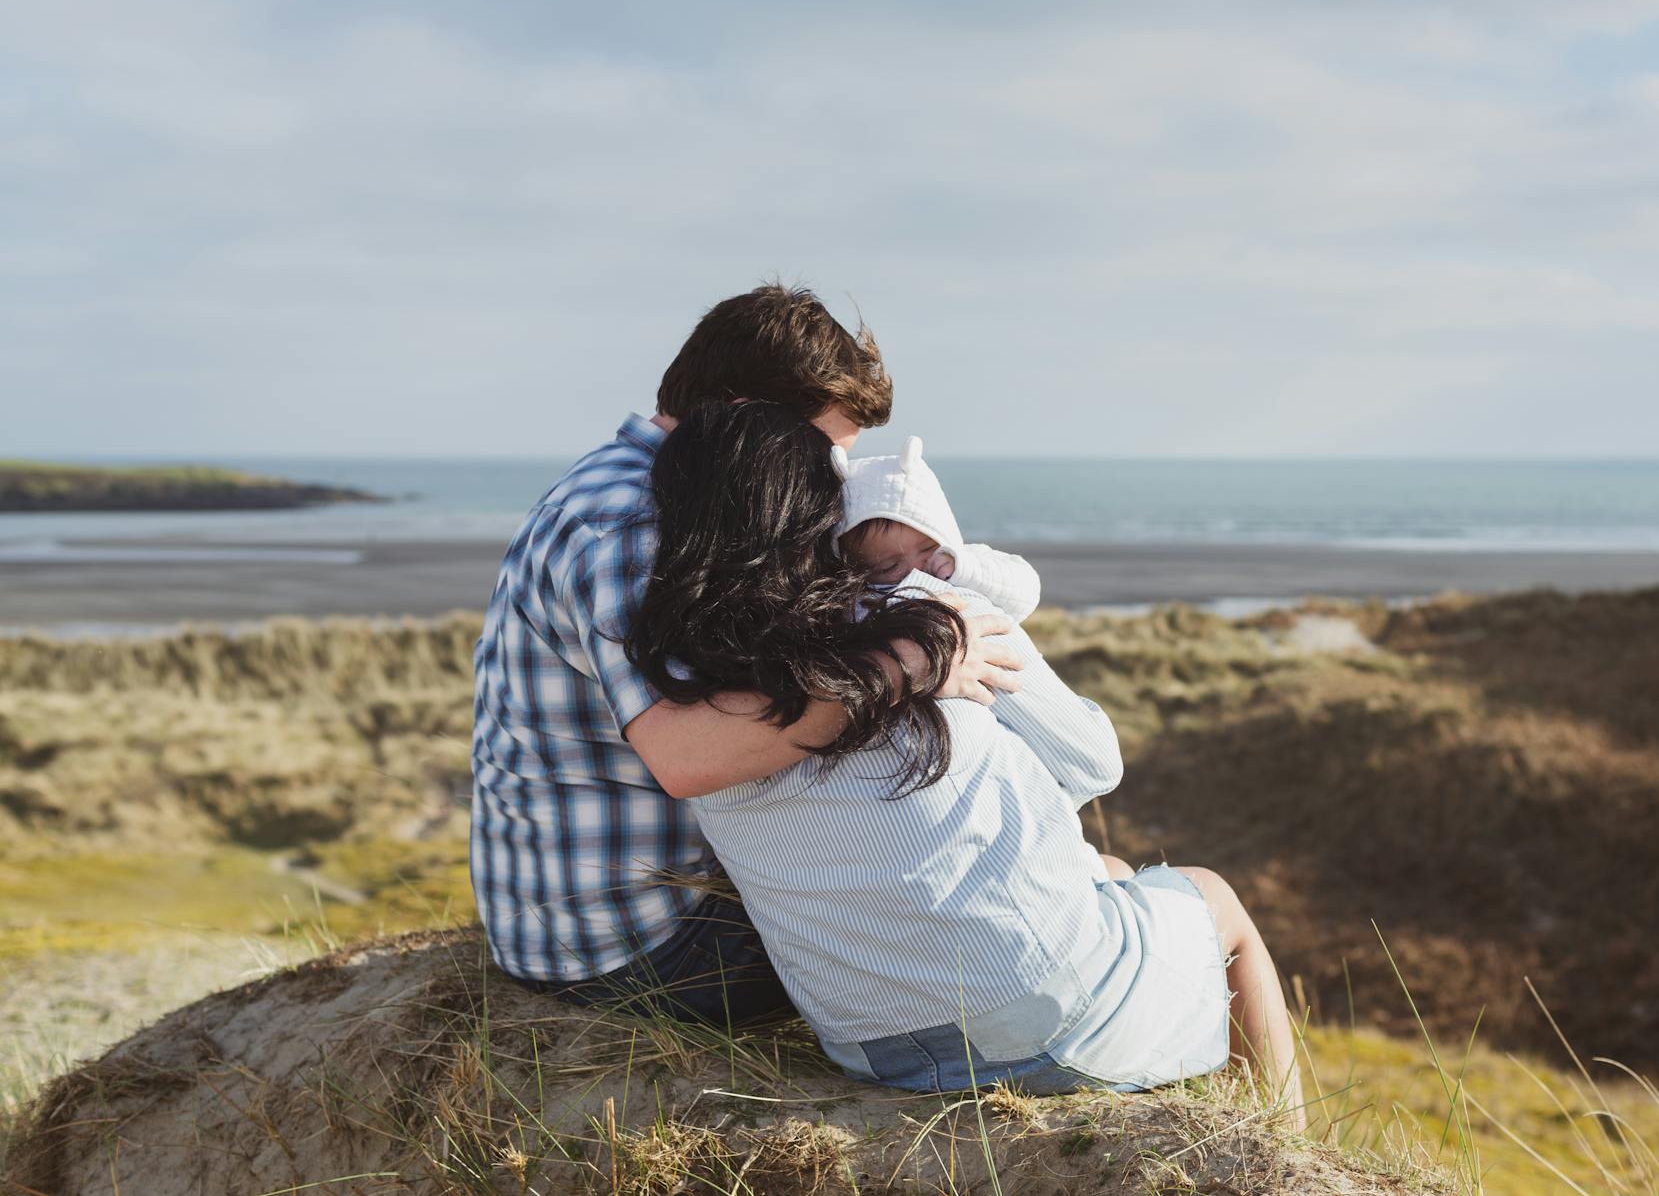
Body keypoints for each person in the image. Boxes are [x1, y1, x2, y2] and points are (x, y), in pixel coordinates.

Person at [638, 401, 1307, 1125]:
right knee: (1216, 901)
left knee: (1110, 875)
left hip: (871, 1044)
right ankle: (1292, 1152)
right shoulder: (925, 615)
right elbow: (1091, 763)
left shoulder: (680, 689)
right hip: (1043, 1012)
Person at [468, 285, 1024, 1025]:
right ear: (745, 416)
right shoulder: (633, 522)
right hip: (645, 944)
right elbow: (688, 754)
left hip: (586, 923)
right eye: (823, 451)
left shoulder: (634, 489)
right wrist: (903, 666)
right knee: (999, 937)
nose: (831, 481)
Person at [832, 434, 1042, 621]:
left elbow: (1026, 592)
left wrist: (965, 569)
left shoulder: (968, 562)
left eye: (927, 548)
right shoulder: (862, 603)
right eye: (890, 566)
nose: (916, 568)